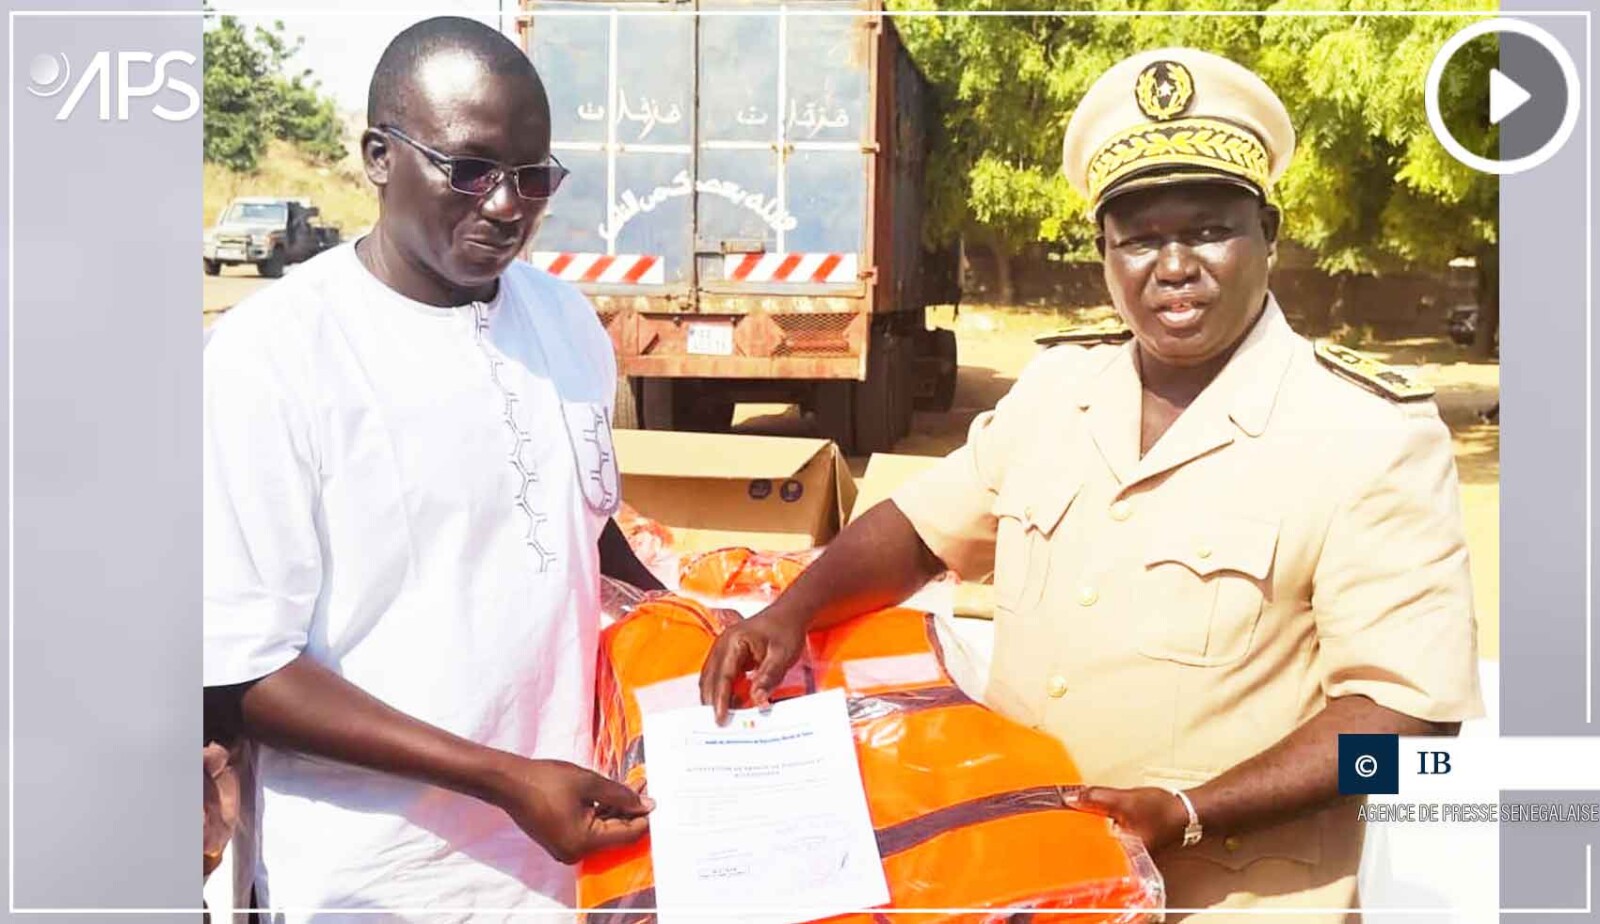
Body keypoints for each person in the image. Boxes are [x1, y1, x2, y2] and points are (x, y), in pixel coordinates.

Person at [699, 47, 1483, 921]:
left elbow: (1415, 731)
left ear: (1271, 231)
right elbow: (920, 529)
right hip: (1021, 885)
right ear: (1104, 252)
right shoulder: (1058, 390)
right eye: (1141, 237)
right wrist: (789, 612)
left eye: (1209, 228)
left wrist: (1189, 814)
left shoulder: (1372, 438)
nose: (1174, 264)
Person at [202, 17, 662, 917]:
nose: (506, 205)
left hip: (563, 863)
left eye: (534, 178)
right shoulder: (274, 356)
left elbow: (578, 532)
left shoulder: (567, 323)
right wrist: (503, 779)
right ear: (380, 156)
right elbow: (243, 670)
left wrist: (693, 617)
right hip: (373, 878)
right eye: (471, 169)